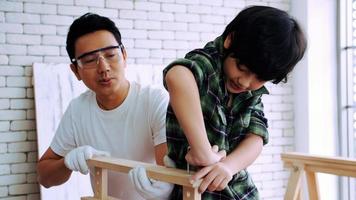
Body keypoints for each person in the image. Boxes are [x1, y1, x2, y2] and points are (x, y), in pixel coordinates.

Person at [162, 6, 307, 199]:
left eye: (259, 78)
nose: (245, 82)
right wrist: (202, 151)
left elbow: (256, 137)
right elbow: (177, 74)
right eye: (242, 68)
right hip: (195, 190)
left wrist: (228, 166)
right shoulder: (207, 65)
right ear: (230, 39)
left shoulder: (251, 93)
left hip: (241, 191)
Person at [37, 13, 172, 200]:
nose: (103, 67)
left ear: (124, 55)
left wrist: (165, 189)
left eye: (110, 55)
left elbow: (168, 170)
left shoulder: (154, 101)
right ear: (75, 70)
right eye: (90, 60)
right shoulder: (78, 110)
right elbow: (45, 177)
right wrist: (66, 164)